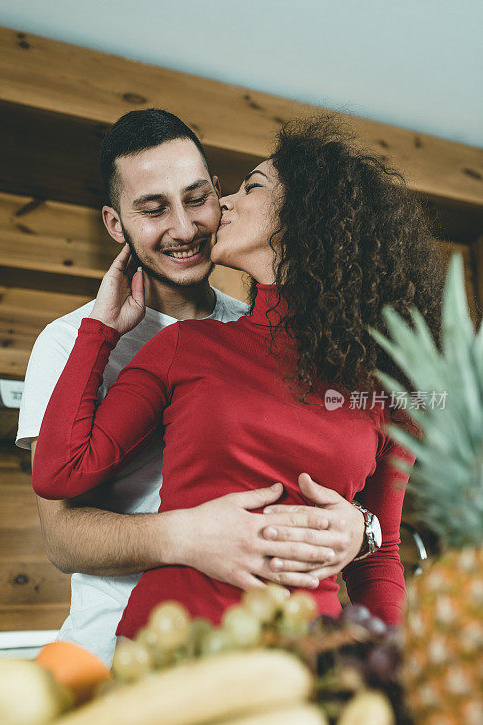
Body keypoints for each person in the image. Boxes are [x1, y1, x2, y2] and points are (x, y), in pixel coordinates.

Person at [33, 115, 441, 636]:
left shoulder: (384, 392)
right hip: (167, 644)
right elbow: (60, 480)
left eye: (247, 188)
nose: (201, 219)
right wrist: (99, 331)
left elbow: (379, 562)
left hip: (309, 659)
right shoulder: (183, 344)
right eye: (154, 209)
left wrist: (364, 538)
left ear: (306, 216)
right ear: (117, 223)